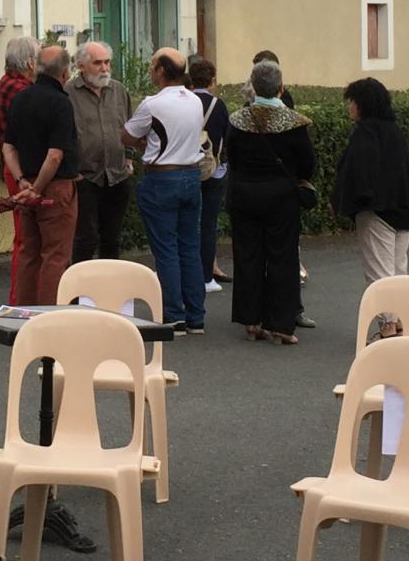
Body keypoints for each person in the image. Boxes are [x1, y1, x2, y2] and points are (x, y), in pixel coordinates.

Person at [226, 59, 315, 344]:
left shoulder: (238, 120)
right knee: (283, 257)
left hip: (244, 194)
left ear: (253, 86)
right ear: (281, 88)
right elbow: (307, 165)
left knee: (248, 255)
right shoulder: (294, 122)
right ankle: (281, 324)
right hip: (281, 197)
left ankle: (251, 320)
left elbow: (232, 157)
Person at [122, 47, 207, 333]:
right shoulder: (195, 101)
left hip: (162, 178)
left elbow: (127, 134)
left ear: (161, 71)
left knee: (166, 250)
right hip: (191, 176)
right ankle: (196, 316)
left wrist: (145, 144)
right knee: (189, 248)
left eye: (152, 65)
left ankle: (174, 314)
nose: (150, 69)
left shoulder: (152, 103)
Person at [3, 44, 81, 306]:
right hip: (55, 187)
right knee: (55, 255)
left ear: (36, 67)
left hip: (25, 184)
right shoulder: (61, 103)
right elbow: (55, 155)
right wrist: (38, 187)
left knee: (28, 252)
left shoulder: (21, 98)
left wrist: (22, 180)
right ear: (65, 73)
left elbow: (8, 147)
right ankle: (51, 315)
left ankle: (23, 313)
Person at [334, 77, 409, 282]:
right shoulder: (395, 132)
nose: (349, 107)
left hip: (376, 213)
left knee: (380, 279)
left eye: (352, 101)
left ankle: (386, 315)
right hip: (404, 211)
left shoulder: (365, 133)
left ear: (363, 104)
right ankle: (403, 314)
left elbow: (356, 173)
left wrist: (343, 202)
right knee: (399, 274)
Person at [67, 40, 133, 263]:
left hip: (116, 175)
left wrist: (129, 157)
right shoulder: (68, 93)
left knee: (112, 239)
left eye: (107, 62)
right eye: (97, 63)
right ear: (81, 65)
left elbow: (130, 126)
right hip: (85, 176)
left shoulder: (119, 90)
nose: (104, 68)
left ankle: (110, 292)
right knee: (85, 239)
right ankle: (77, 295)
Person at [0, 36, 38, 295]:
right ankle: (20, 297)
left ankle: (20, 296)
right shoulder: (21, 90)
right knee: (26, 239)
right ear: (30, 63)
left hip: (13, 165)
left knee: (24, 237)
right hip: (21, 168)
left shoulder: (6, 83)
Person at [187, 55, 230, 293]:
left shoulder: (185, 102)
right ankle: (206, 277)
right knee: (209, 224)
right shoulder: (219, 105)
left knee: (187, 224)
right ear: (212, 80)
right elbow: (226, 137)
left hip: (187, 168)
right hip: (214, 170)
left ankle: (188, 274)